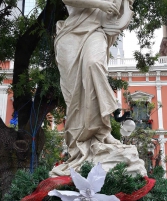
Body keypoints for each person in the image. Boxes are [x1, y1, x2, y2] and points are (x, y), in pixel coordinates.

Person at [50, 0, 146, 177]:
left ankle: (102, 131)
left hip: (96, 30)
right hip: (70, 33)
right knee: (75, 98)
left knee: (94, 64)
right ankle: (79, 148)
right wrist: (101, 4)